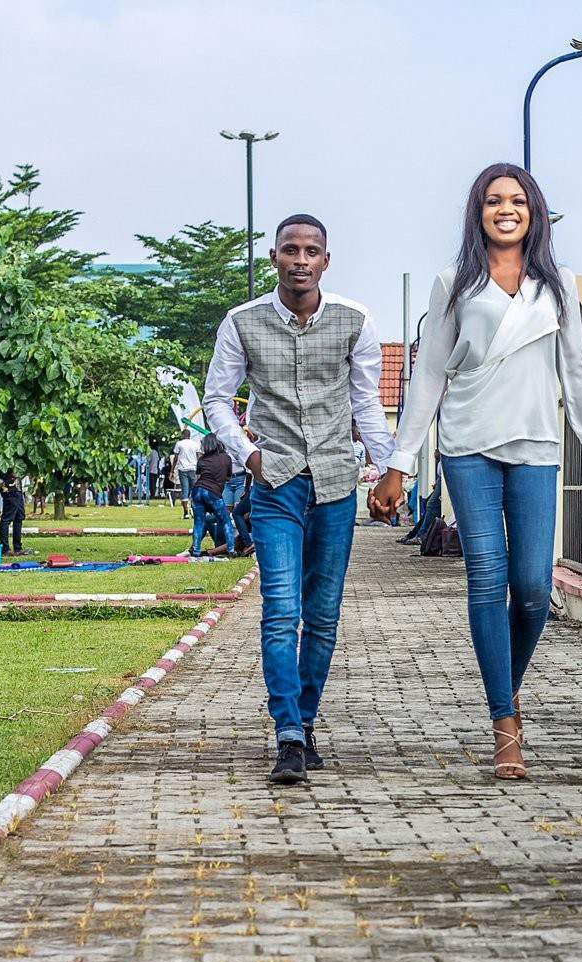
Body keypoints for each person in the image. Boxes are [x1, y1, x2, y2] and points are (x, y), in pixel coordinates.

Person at [372, 163, 582, 781]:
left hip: (537, 443)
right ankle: (504, 722)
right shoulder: (453, 284)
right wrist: (399, 465)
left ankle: (505, 689)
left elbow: (575, 374)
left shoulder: (559, 286)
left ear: (534, 212)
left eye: (516, 200)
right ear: (477, 212)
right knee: (487, 577)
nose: (505, 209)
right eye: (493, 201)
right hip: (469, 444)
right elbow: (430, 374)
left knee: (535, 589)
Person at [203, 212, 395, 784]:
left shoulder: (354, 321)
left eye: (312, 251)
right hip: (275, 485)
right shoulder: (243, 322)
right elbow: (217, 399)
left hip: (336, 485)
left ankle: (306, 721)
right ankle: (287, 733)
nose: (301, 260)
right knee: (281, 609)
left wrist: (388, 470)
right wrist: (249, 456)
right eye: (291, 250)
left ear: (326, 261)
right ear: (275, 258)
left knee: (324, 615)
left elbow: (365, 404)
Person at [189, 433, 236, 557]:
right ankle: (231, 550)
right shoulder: (226, 458)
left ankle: (196, 550)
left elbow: (198, 477)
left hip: (197, 491)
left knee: (199, 522)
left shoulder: (202, 460)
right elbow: (228, 477)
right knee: (226, 521)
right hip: (213, 492)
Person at [172, 429, 201, 519]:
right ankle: (194, 510)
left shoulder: (179, 444)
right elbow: (199, 457)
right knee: (193, 491)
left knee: (185, 490)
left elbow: (175, 458)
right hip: (193, 469)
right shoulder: (195, 444)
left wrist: (172, 470)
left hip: (183, 469)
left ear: (183, 435)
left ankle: (186, 513)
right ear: (189, 435)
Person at [0, 470, 26, 557]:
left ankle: (18, 548)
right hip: (9, 488)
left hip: (17, 489)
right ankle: (5, 549)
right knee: (6, 519)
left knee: (19, 518)